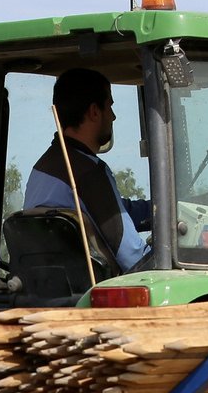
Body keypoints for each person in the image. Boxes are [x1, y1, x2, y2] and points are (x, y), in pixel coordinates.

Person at [22, 68, 152, 273]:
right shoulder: (89, 173)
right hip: (90, 294)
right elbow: (134, 259)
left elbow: (111, 213)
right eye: (109, 106)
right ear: (94, 112)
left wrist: (160, 211)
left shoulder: (42, 168)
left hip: (48, 290)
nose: (114, 116)